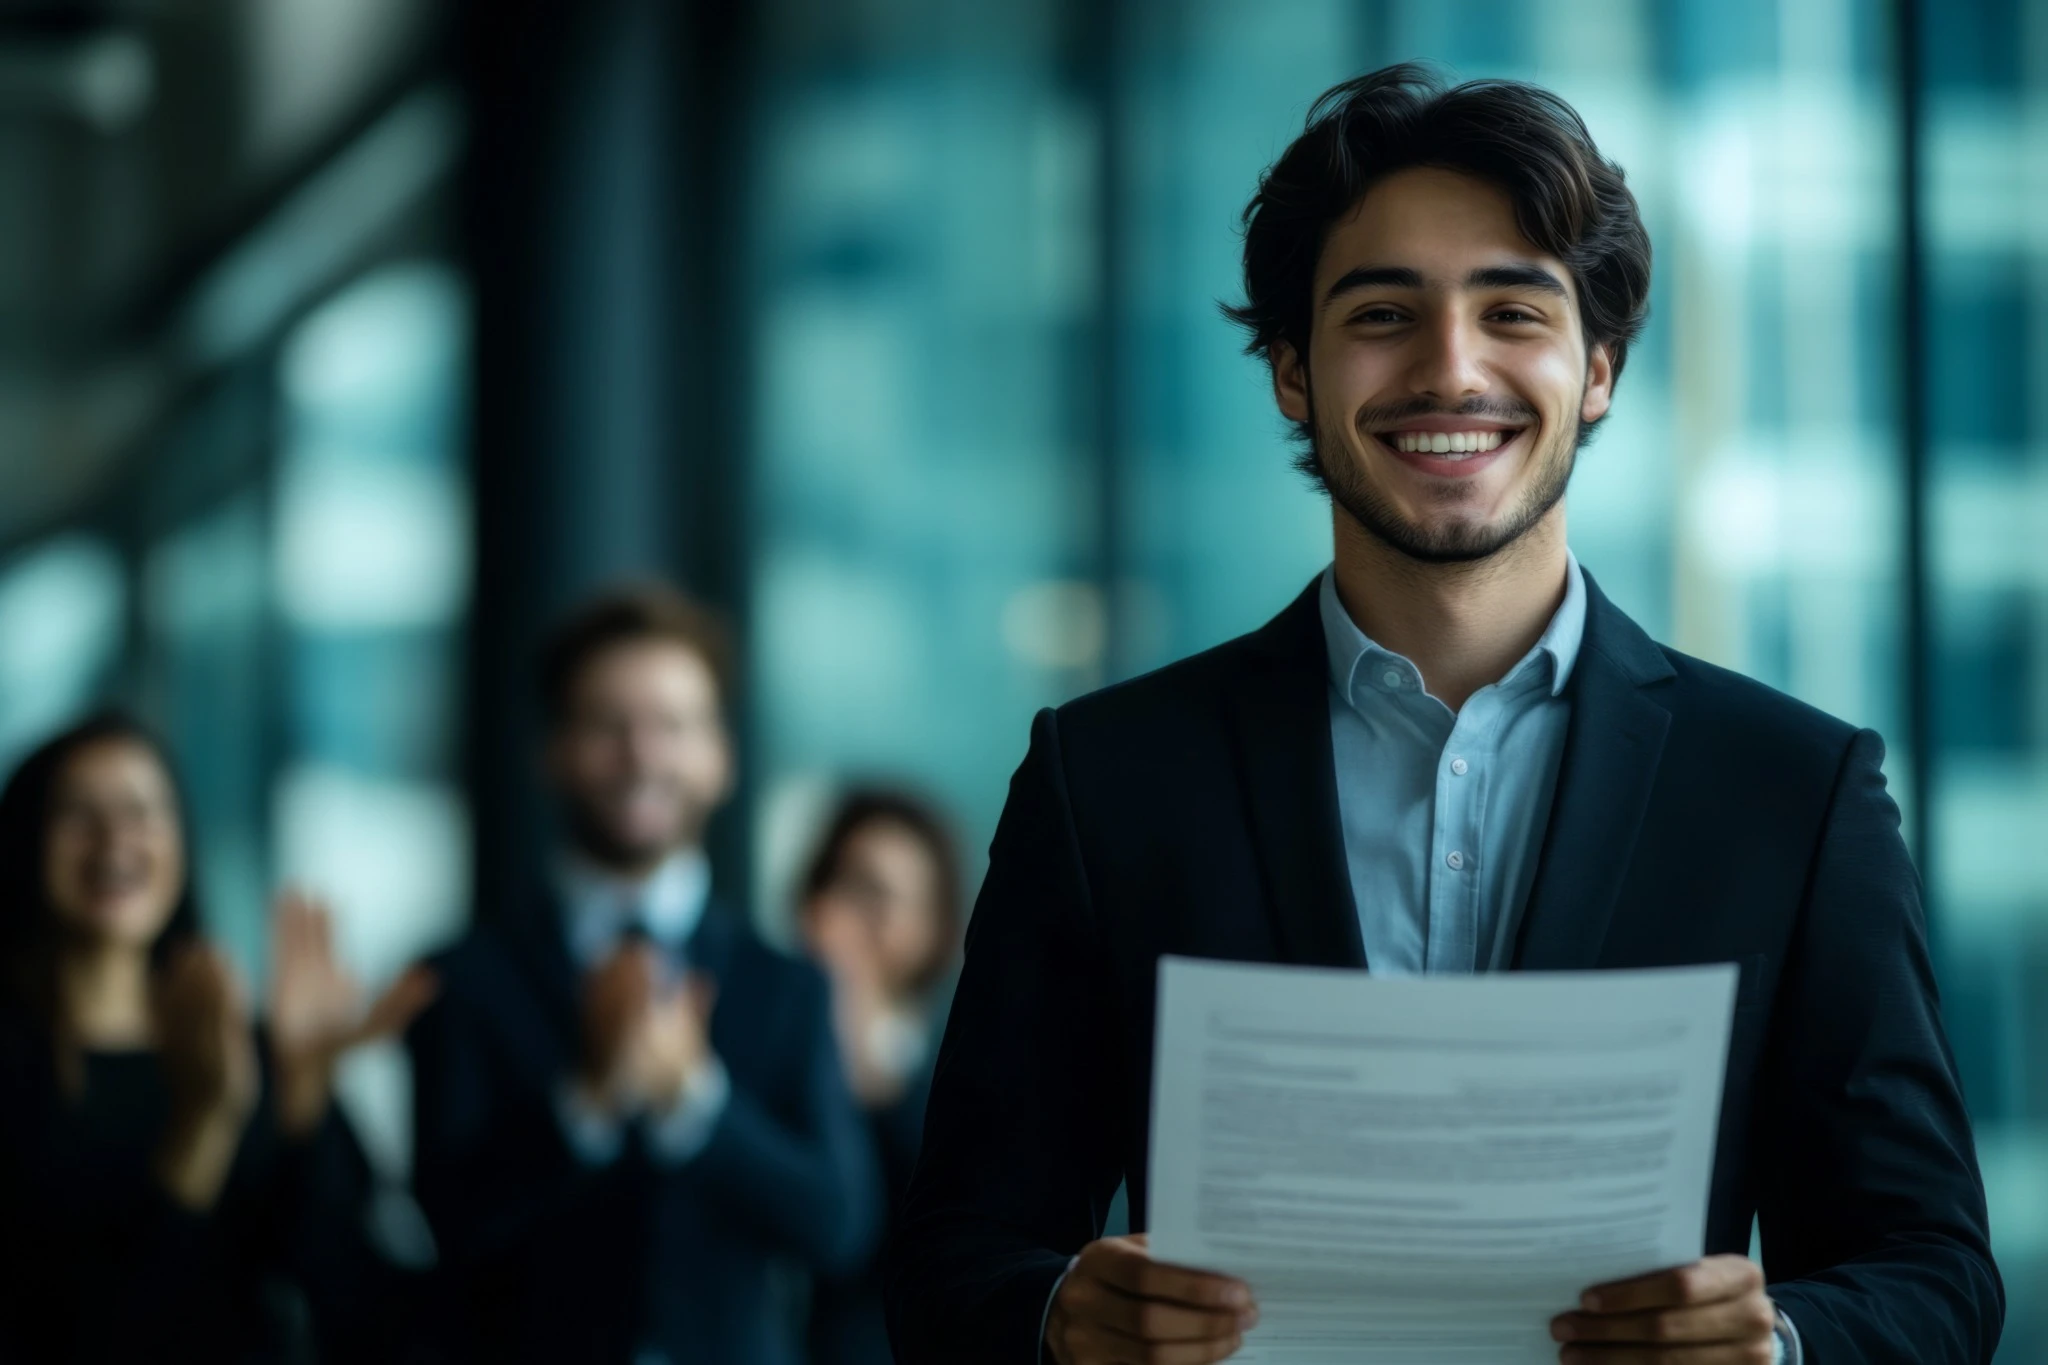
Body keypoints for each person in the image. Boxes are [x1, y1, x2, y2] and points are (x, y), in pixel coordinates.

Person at [887, 64, 2002, 1365]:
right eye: (1382, 313)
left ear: (1599, 369)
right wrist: (1053, 1317)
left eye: (1513, 310)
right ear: (1293, 374)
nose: (1450, 369)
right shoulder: (1106, 778)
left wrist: (1781, 1344)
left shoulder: (1792, 792)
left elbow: (1933, 1273)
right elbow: (948, 1262)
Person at [407, 584, 879, 1365]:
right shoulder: (461, 979)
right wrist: (581, 1103)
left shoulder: (787, 985)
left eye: (673, 725)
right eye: (607, 723)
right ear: (552, 751)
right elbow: (446, 1220)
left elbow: (838, 1222)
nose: (642, 753)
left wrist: (696, 1104)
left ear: (720, 757)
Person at [0, 712, 434, 1364]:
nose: (117, 837)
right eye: (77, 813)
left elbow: (362, 1306)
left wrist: (305, 1103)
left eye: (145, 810)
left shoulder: (249, 1048)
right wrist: (202, 1127)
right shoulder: (13, 1063)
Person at [794, 788, 963, 1365]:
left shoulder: (953, 1070)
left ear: (931, 927)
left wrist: (852, 1018)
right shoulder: (763, 1033)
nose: (848, 914)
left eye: (879, 894)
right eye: (841, 882)